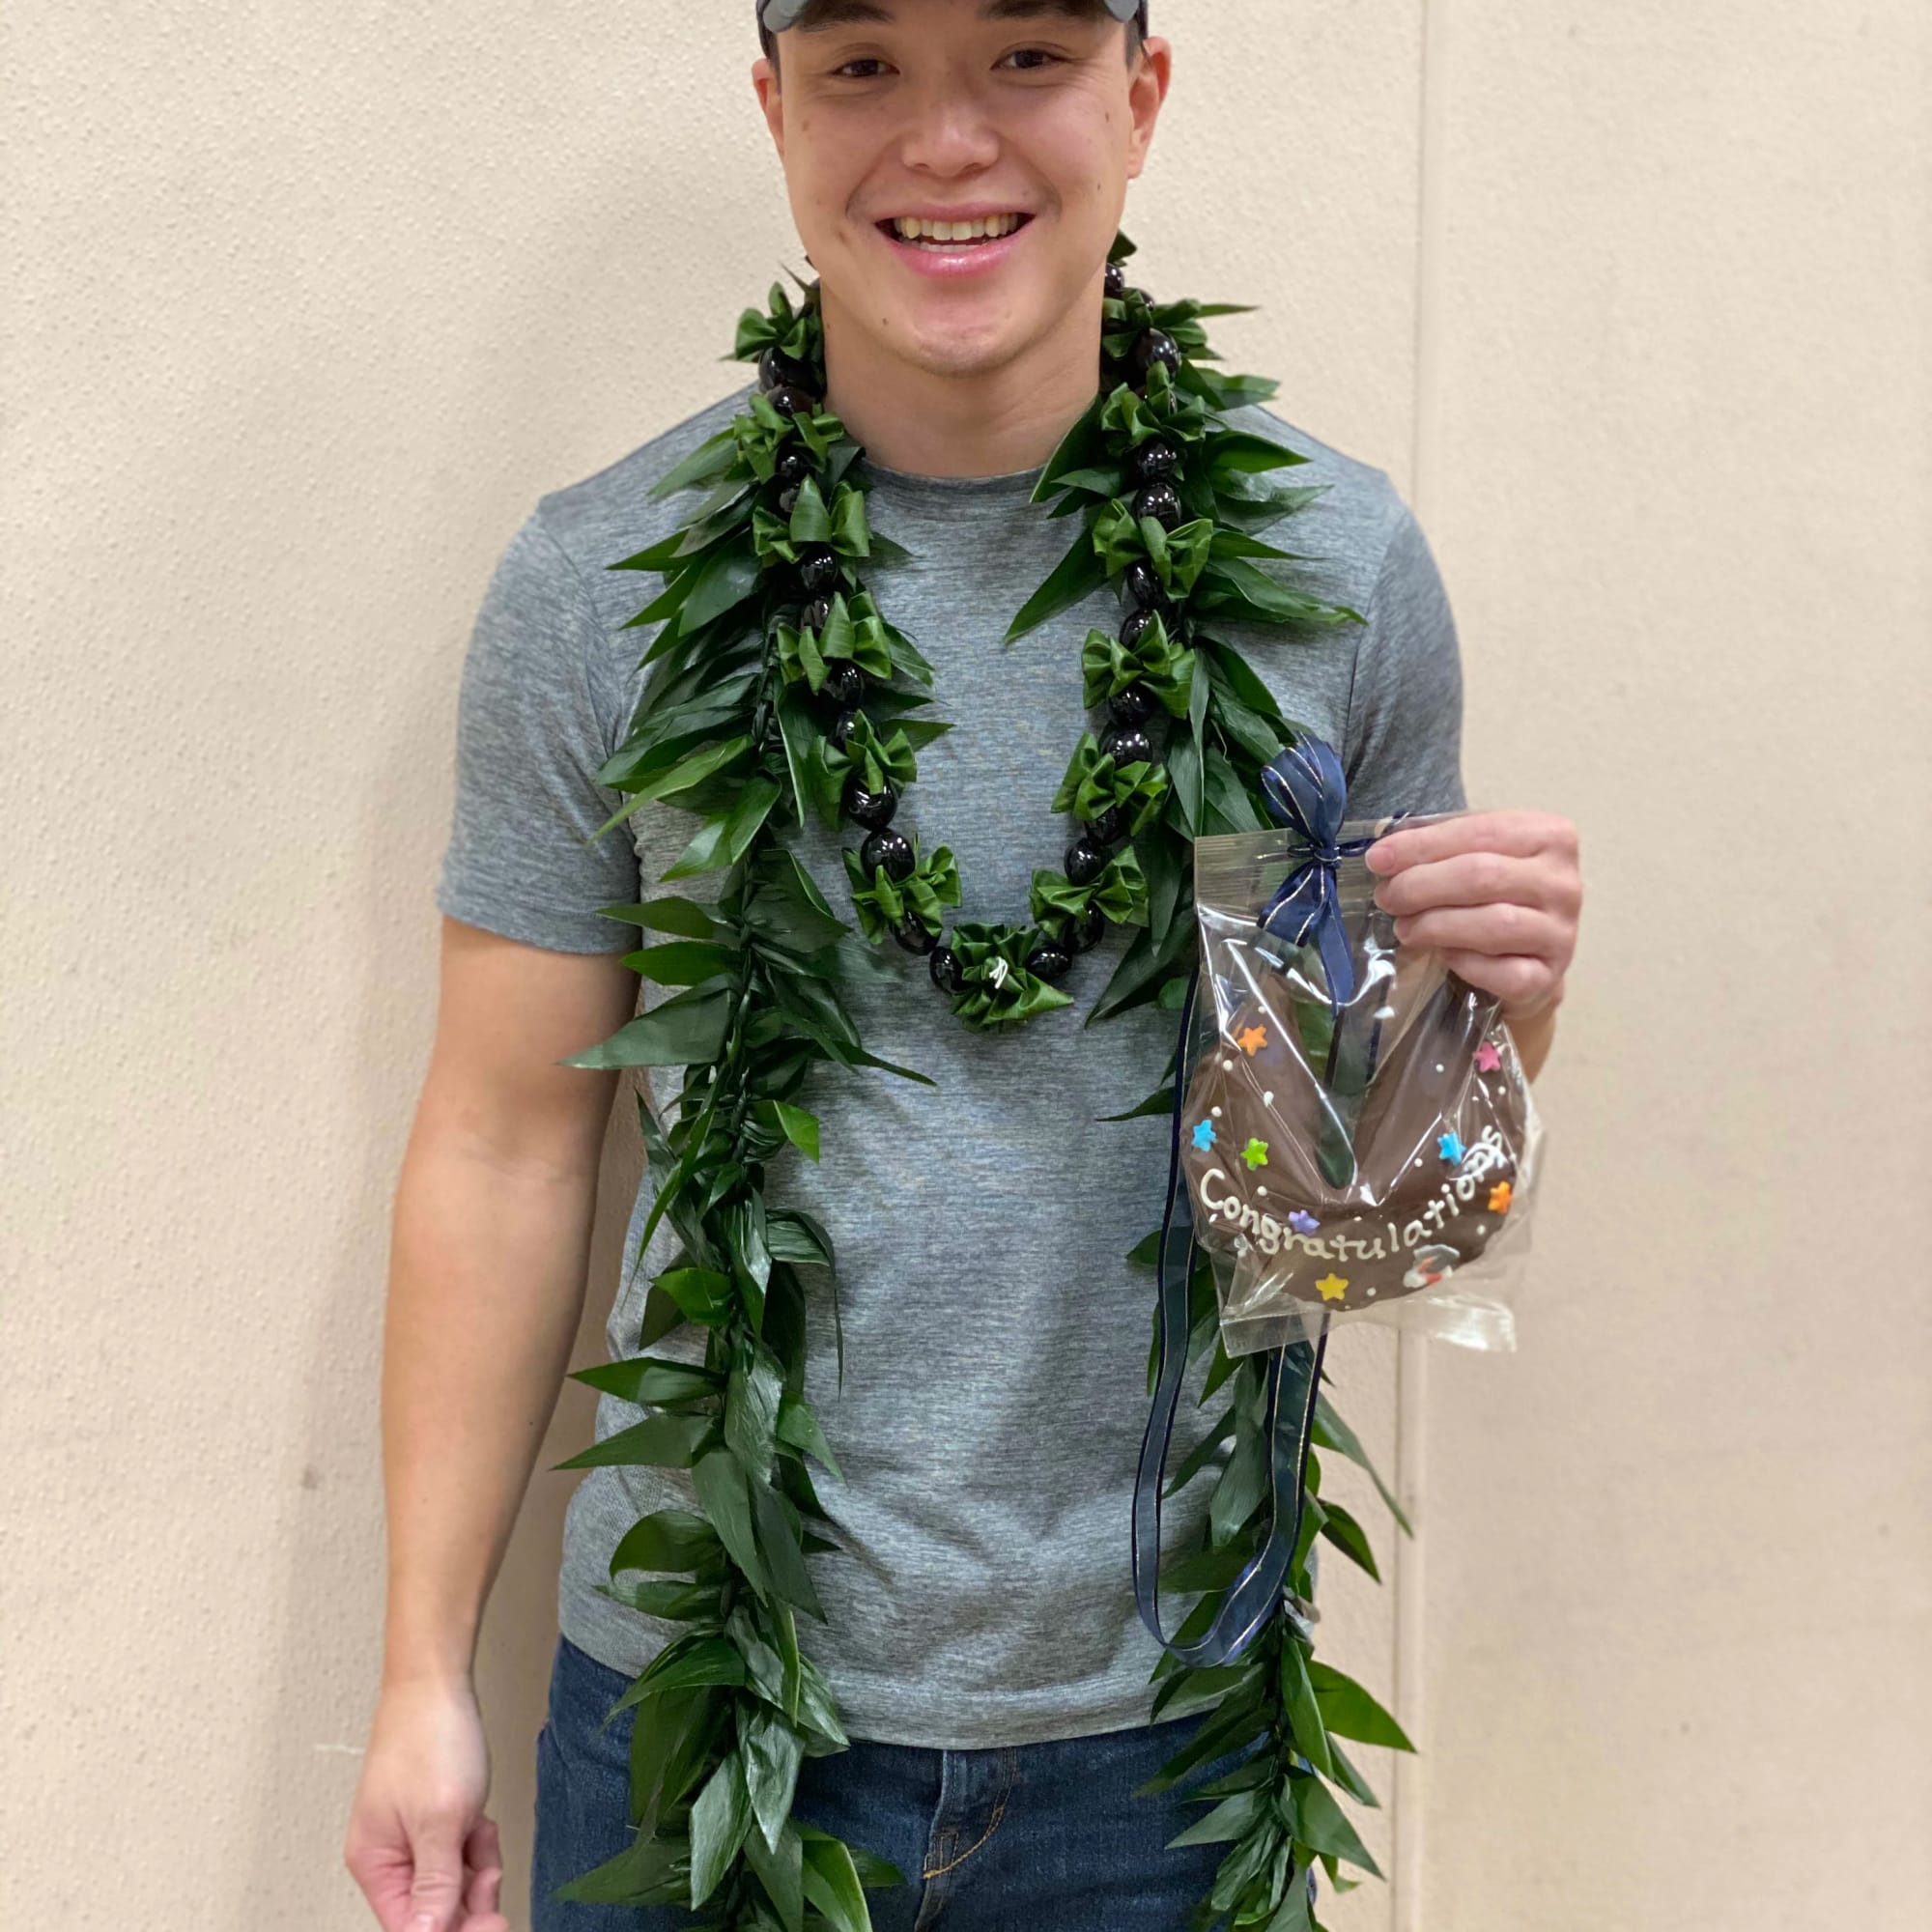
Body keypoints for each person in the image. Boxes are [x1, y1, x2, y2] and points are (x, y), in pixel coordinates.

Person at [342, 4, 1583, 1928]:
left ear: (1140, 98)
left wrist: (1492, 1028)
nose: (943, 141)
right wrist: (423, 1668)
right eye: (860, 66)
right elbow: (507, 1141)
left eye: (1023, 55)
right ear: (773, 110)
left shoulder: (1334, 570)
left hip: (1161, 1744)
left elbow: (1349, 1226)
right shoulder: (598, 587)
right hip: (699, 1709)